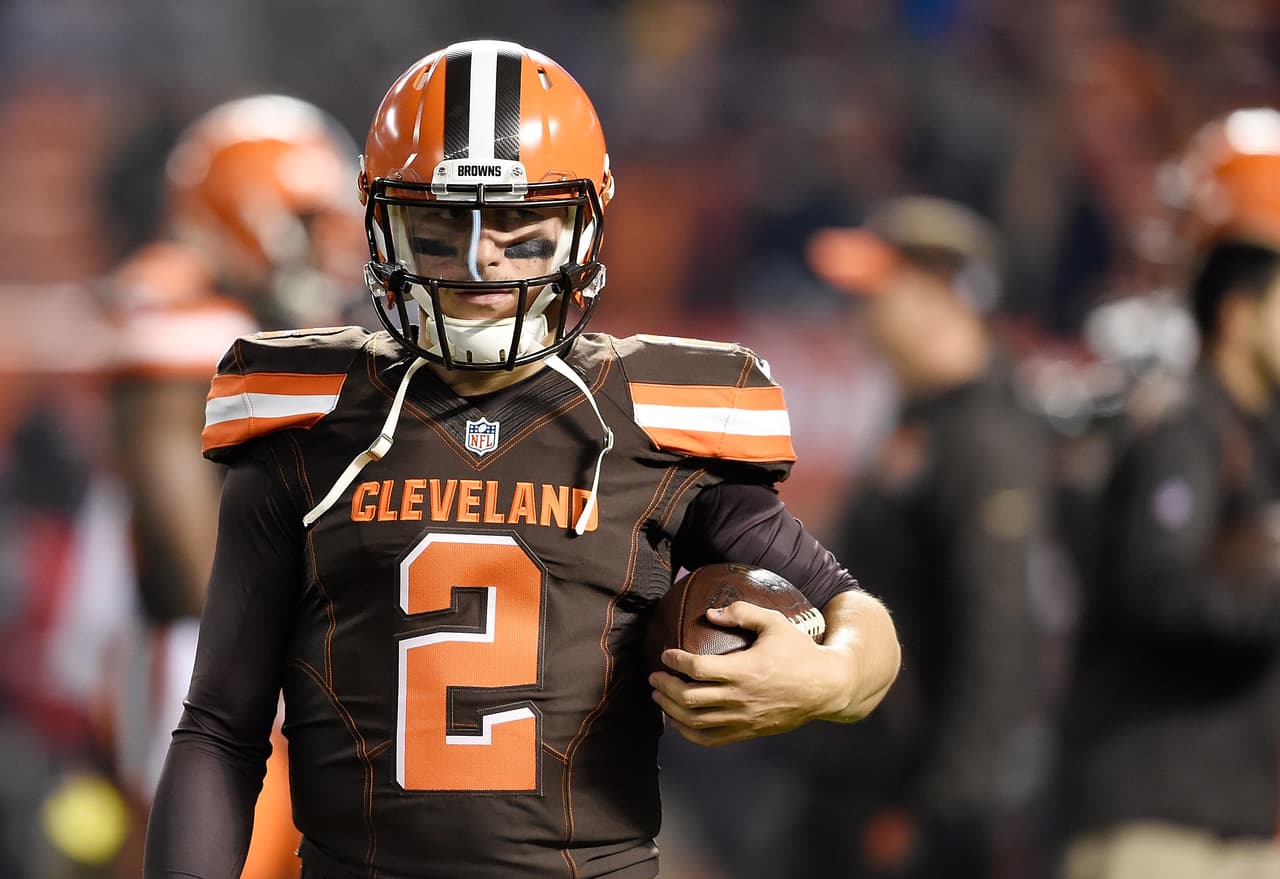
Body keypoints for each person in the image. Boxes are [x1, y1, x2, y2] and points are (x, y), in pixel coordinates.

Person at [141, 39, 901, 879]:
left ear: (584, 223)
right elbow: (219, 725)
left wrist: (828, 679)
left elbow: (859, 619)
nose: (481, 260)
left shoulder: (660, 420)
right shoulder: (306, 419)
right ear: (382, 222)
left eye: (517, 226)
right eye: (442, 226)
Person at [102, 94, 366, 876]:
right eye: (313, 222)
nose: (340, 249)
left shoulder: (273, 329)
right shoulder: (184, 315)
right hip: (210, 659)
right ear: (251, 211)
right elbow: (191, 557)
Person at [1056, 107, 1280, 879]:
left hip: (1228, 818)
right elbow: (1164, 594)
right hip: (1160, 825)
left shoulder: (1249, 436)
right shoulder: (1186, 427)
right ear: (1239, 306)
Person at [801, 196, 1049, 878]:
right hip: (866, 781)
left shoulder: (984, 437)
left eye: (878, 288)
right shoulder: (922, 421)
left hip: (913, 805)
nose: (858, 308)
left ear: (939, 293)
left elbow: (997, 630)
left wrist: (943, 809)